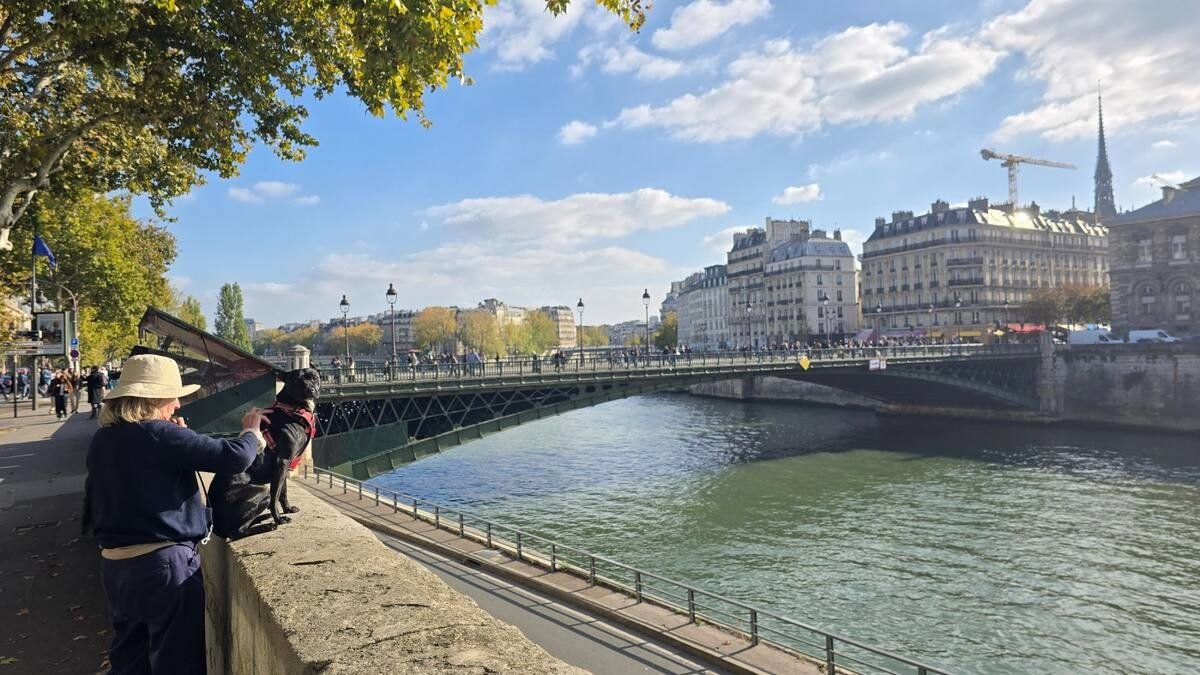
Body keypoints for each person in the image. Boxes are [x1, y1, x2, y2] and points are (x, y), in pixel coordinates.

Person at [83, 354, 266, 675]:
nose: (178, 404)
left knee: (130, 662)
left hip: (116, 568)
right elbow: (234, 457)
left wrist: (178, 437)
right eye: (173, 396)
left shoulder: (104, 439)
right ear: (152, 399)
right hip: (164, 567)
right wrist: (253, 434)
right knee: (178, 663)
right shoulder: (159, 435)